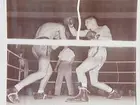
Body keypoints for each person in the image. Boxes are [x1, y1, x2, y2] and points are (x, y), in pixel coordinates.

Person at [65, 16, 121, 102]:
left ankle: (83, 96)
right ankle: (113, 92)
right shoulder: (88, 32)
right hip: (94, 54)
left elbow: (109, 39)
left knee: (79, 70)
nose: (85, 25)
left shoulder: (103, 28)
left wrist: (96, 36)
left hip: (98, 53)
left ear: (91, 22)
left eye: (86, 23)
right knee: (94, 82)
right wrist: (70, 25)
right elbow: (75, 33)